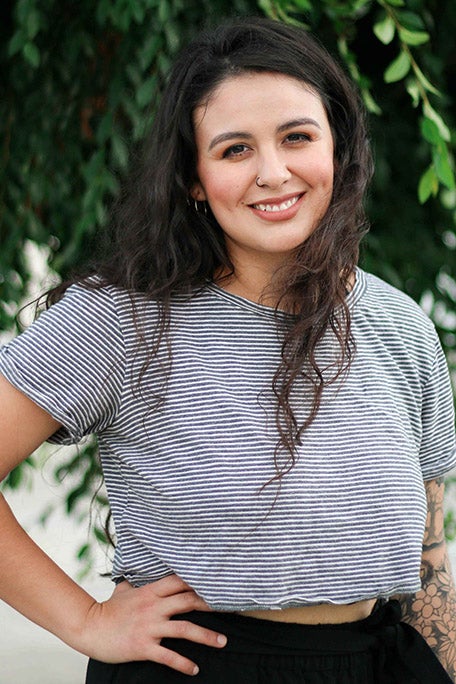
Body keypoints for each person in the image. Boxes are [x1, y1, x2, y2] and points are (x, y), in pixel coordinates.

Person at [0, 15, 455, 684]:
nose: (273, 173)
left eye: (297, 137)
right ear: (192, 178)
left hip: (384, 664)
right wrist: (86, 621)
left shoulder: (399, 323)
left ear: (339, 149)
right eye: (234, 149)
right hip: (203, 668)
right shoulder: (121, 320)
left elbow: (428, 558)